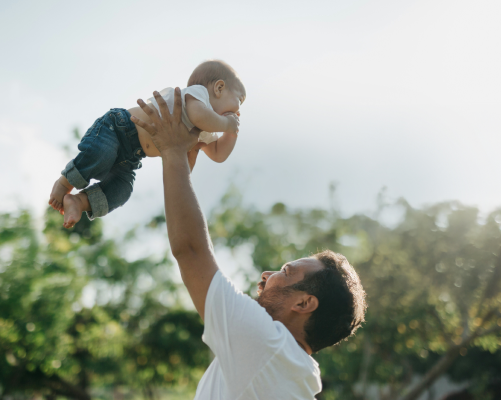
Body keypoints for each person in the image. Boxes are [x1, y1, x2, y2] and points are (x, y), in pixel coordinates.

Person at [130, 88, 367, 399]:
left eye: (287, 270)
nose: (266, 275)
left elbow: (190, 252)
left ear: (304, 303)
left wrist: (173, 149)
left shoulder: (266, 344)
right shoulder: (288, 372)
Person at [48, 60, 245, 228]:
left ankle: (78, 201)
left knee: (122, 190)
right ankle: (65, 182)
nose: (237, 111)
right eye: (239, 101)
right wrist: (227, 123)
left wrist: (232, 131)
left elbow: (219, 154)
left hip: (131, 159)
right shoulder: (197, 95)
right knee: (101, 153)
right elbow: (198, 115)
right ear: (219, 88)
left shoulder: (205, 130)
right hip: (118, 129)